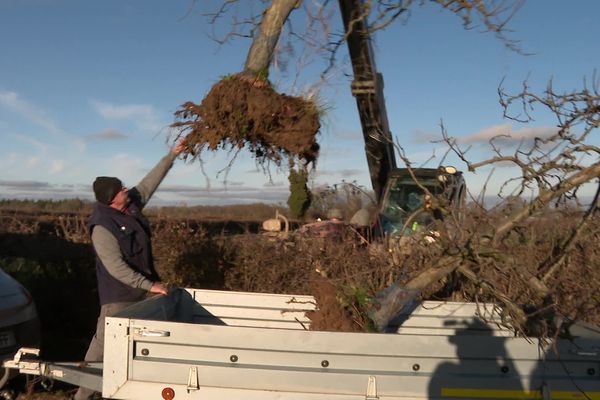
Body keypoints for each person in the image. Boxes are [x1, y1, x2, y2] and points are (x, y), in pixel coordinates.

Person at [74, 143, 183, 400]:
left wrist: (173, 154)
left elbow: (150, 182)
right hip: (119, 297)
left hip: (142, 292)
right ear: (112, 198)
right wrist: (150, 286)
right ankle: (82, 396)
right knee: (101, 352)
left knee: (138, 349)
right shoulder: (102, 226)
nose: (126, 188)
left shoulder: (130, 203)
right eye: (121, 188)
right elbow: (116, 268)